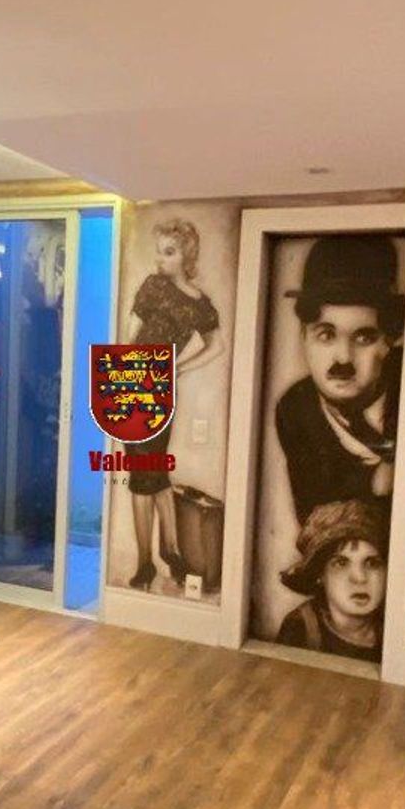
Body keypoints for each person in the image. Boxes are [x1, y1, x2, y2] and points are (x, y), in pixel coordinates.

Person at [273, 234, 404, 524]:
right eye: (326, 335)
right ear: (304, 337)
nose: (343, 358)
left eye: (364, 337)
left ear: (390, 341)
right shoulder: (295, 409)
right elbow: (315, 521)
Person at [125, 218, 224, 591]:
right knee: (145, 473)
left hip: (160, 384)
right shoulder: (153, 286)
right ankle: (154, 558)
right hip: (133, 381)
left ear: (187, 256)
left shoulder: (200, 304)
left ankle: (163, 555)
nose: (161, 259)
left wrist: (178, 367)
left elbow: (216, 346)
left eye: (169, 252)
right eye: (159, 252)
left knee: (151, 471)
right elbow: (129, 337)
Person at [274, 499, 387, 661]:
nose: (360, 578)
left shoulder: (393, 628)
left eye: (372, 563)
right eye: (341, 563)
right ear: (320, 574)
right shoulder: (300, 628)